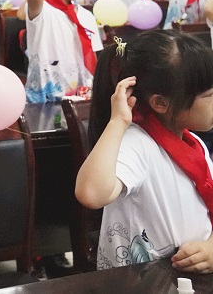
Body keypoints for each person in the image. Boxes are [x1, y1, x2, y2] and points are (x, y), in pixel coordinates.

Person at [77, 31, 213, 273]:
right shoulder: (137, 144)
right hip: (143, 283)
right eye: (209, 96)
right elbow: (91, 193)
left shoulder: (194, 143)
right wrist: (117, 122)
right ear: (160, 103)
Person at [24, 0, 101, 103]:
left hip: (81, 100)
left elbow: (94, 57)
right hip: (45, 103)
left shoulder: (86, 16)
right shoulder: (42, 10)